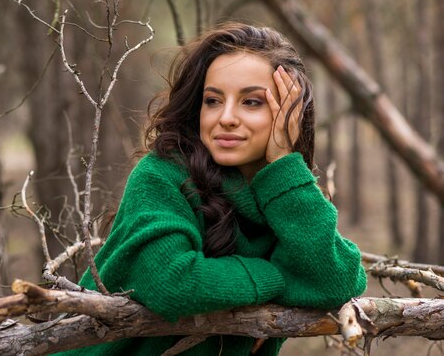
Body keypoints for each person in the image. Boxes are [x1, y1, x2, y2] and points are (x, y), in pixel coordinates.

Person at [56, 23, 367, 355]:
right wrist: (279, 277)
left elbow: (339, 281)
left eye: (251, 102)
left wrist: (284, 169)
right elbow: (172, 283)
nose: (227, 117)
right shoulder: (161, 174)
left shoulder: (288, 193)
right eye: (213, 100)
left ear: (290, 115)